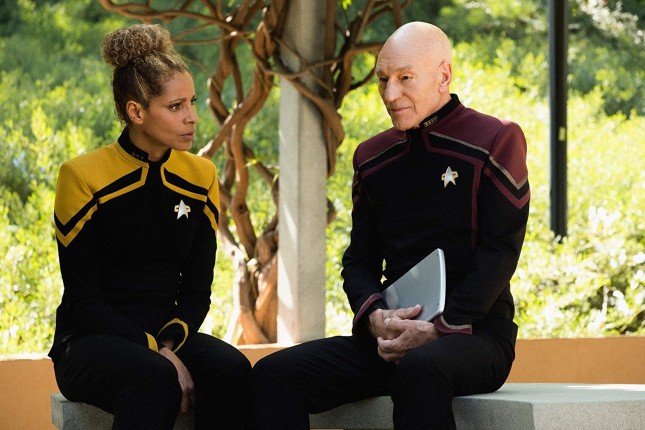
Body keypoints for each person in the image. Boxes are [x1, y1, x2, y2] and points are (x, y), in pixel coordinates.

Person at [252, 21, 530, 429]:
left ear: (444, 76)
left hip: (478, 336)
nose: (390, 93)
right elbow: (359, 261)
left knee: (421, 368)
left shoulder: (496, 139)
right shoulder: (371, 157)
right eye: (383, 79)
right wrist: (374, 317)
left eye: (405, 78)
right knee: (273, 374)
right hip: (390, 339)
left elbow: (500, 252)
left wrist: (439, 330)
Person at [49, 23, 253, 430]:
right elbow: (85, 301)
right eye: (175, 107)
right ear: (136, 112)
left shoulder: (201, 176)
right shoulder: (81, 176)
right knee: (155, 378)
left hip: (170, 337)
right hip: (89, 341)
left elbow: (197, 289)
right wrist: (155, 352)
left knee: (233, 369)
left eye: (192, 102)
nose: (192, 117)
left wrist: (168, 345)